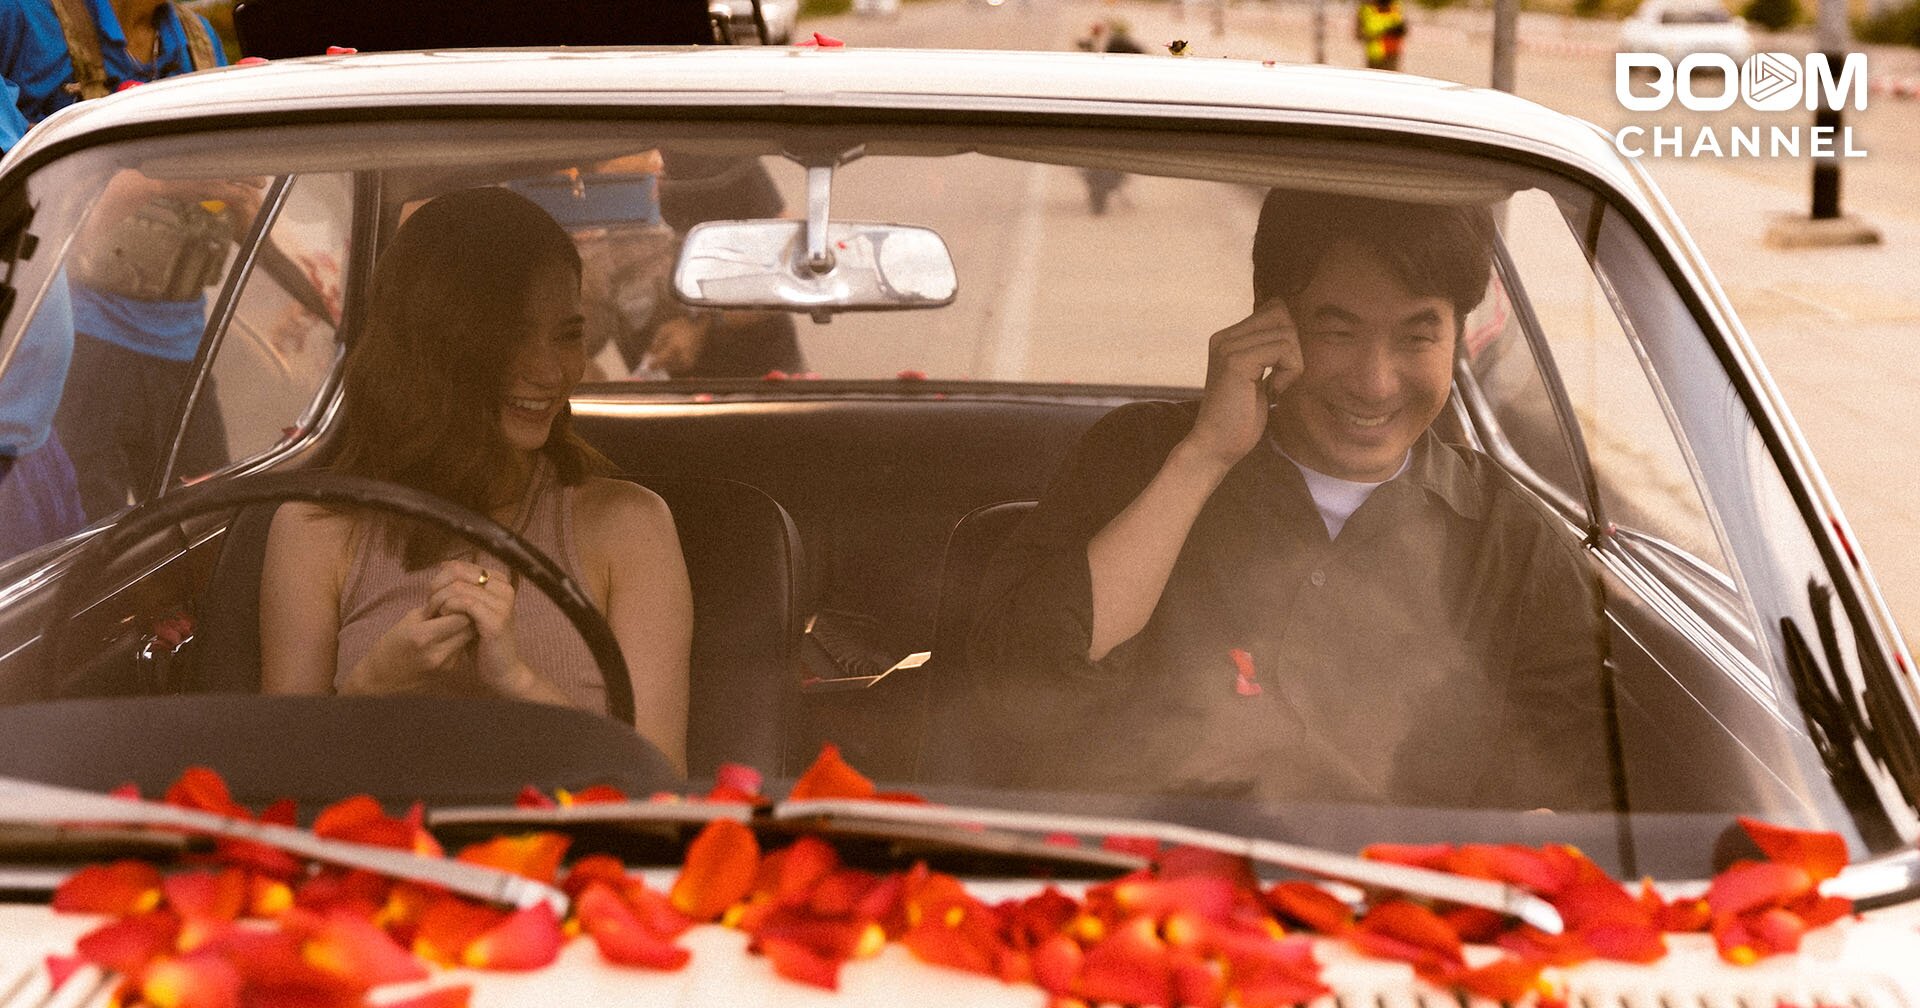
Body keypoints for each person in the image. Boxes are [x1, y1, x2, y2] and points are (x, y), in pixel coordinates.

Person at [959, 188, 1608, 811]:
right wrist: (1204, 457)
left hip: (1377, 889)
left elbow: (1566, 797)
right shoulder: (1137, 457)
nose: (1375, 383)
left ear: (1458, 337)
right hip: (1120, 879)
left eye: (1416, 337)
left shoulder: (1515, 544)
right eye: (1339, 332)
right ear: (1268, 322)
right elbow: (1019, 695)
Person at [259, 187, 695, 772]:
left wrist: (516, 683)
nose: (551, 371)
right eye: (511, 337)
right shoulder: (314, 530)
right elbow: (278, 790)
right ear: (430, 347)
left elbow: (660, 791)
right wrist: (371, 690)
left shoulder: (630, 527)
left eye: (568, 335)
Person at [1355, 0, 1407, 71]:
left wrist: (1399, 30)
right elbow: (1359, 34)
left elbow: (1402, 29)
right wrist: (1383, 32)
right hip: (1375, 56)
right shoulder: (1366, 10)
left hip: (1391, 54)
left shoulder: (1395, 8)